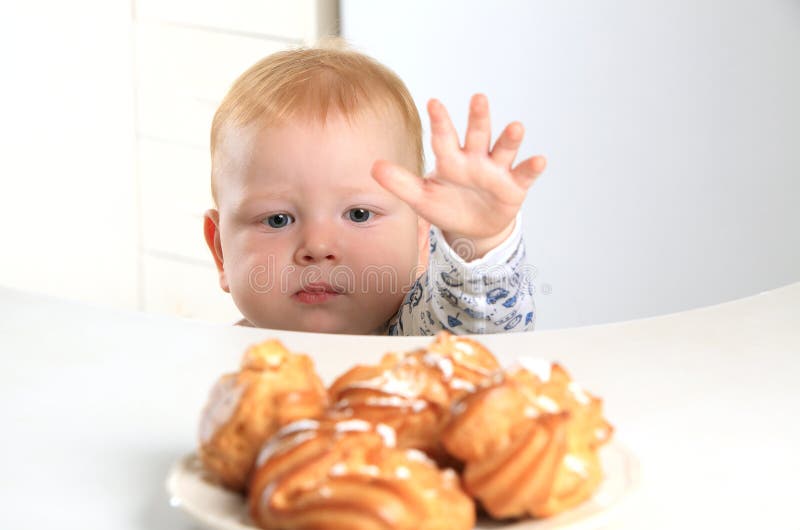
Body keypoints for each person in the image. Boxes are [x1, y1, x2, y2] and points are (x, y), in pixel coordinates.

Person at [203, 40, 546, 335]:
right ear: (220, 252)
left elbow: (478, 331)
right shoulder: (225, 365)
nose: (318, 246)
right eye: (278, 219)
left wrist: (481, 244)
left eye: (359, 214)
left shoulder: (420, 338)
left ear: (419, 238)